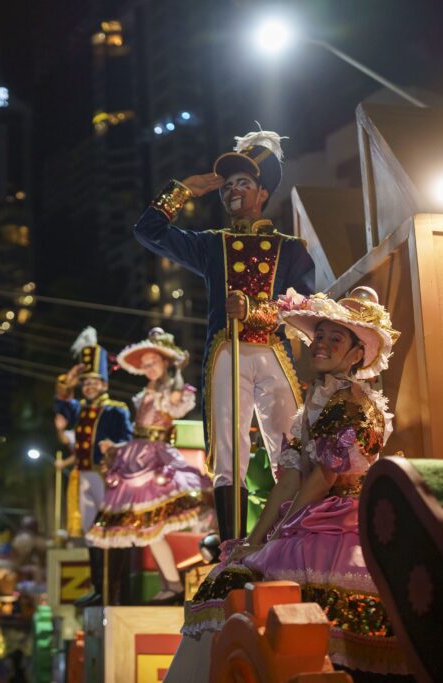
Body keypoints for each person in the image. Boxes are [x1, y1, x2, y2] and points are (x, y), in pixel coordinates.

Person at [167, 287, 406, 679]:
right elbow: (289, 478)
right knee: (232, 571)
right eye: (321, 336)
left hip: (341, 521)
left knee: (280, 592)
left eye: (336, 338)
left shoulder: (353, 402)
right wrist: (253, 539)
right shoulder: (313, 404)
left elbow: (323, 477)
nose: (322, 345)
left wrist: (278, 534)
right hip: (308, 515)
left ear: (357, 353)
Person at [133, 129, 315, 539]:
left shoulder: (291, 249)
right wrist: (181, 191)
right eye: (227, 185)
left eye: (243, 184)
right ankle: (232, 548)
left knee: (290, 445)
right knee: (228, 452)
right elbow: (148, 232)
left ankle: (294, 538)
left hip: (273, 351)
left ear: (262, 193)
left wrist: (255, 310)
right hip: (225, 353)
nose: (232, 191)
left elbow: (306, 306)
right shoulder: (211, 245)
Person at [86, 327, 212, 604]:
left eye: (152, 363)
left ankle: (174, 585)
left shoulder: (172, 390)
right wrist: (117, 448)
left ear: (165, 361)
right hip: (136, 457)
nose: (148, 369)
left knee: (152, 529)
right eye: (144, 365)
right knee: (148, 532)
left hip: (155, 460)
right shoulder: (146, 393)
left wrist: (176, 374)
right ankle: (171, 585)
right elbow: (140, 431)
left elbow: (175, 406)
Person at [52, 326, 133, 606]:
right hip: (84, 478)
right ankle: (99, 588)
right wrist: (67, 381)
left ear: (105, 384)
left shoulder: (116, 409)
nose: (89, 387)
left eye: (94, 382)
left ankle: (114, 591)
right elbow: (61, 407)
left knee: (109, 535)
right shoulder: (81, 410)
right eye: (85, 383)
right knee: (90, 536)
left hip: (106, 478)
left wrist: (113, 447)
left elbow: (127, 440)